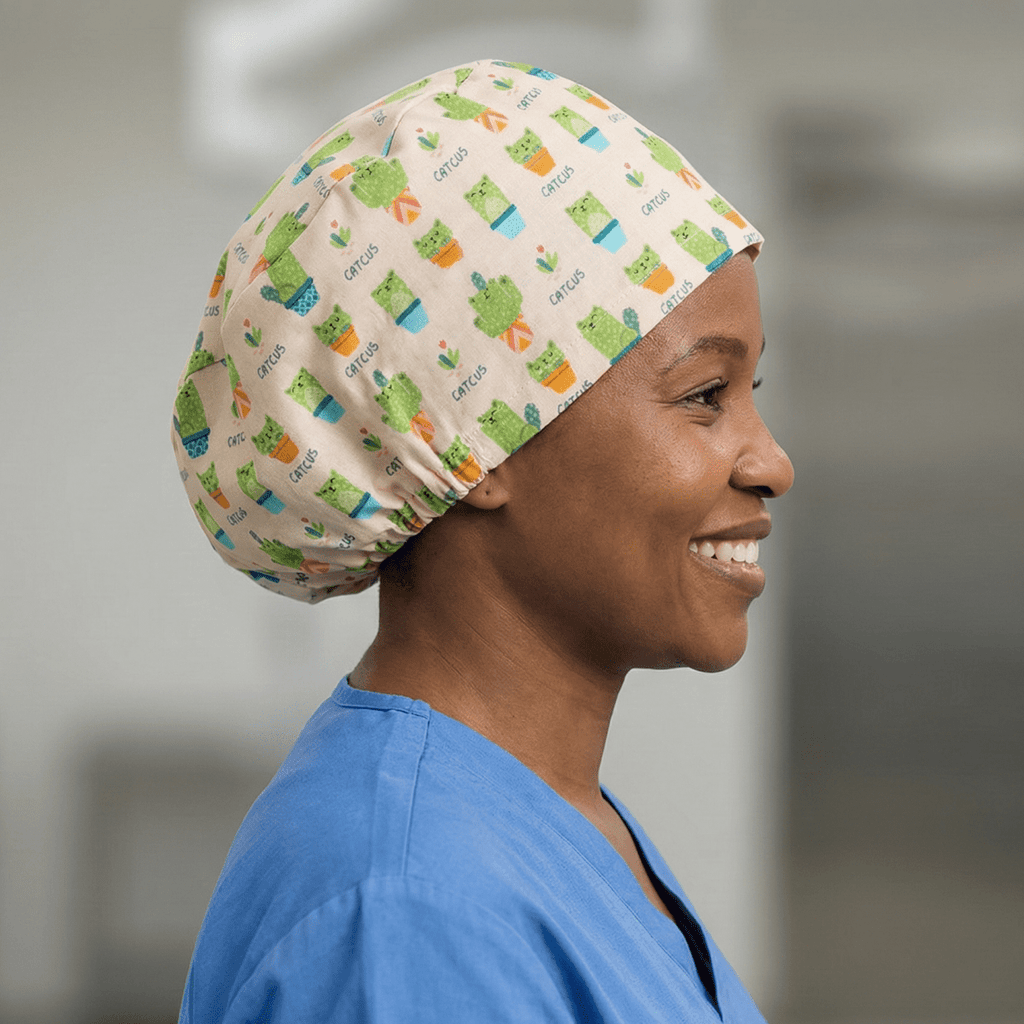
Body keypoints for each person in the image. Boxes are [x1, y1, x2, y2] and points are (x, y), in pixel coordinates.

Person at [172, 59, 793, 1023]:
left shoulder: (538, 821)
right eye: (706, 395)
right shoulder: (411, 915)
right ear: (473, 443)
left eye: (756, 392)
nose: (771, 462)